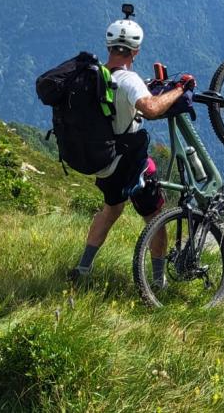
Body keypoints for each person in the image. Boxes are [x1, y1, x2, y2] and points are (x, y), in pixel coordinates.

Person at [67, 16, 195, 287]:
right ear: (136, 51)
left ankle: (83, 268)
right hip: (129, 162)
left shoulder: (96, 76)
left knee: (110, 211)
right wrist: (180, 89)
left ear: (109, 46)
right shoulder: (128, 80)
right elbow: (150, 109)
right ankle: (159, 282)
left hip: (103, 160)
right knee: (156, 217)